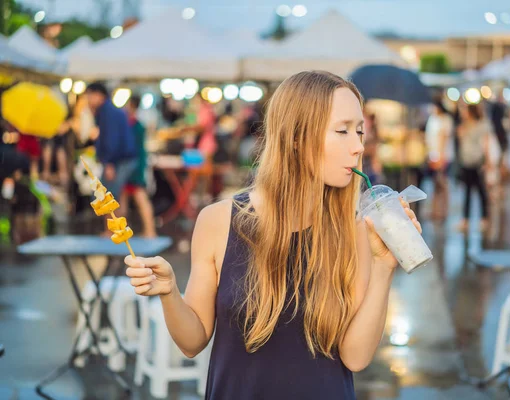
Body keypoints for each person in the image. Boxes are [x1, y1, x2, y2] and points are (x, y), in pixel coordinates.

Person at [124, 71, 422, 399]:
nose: (358, 146)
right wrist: (169, 293)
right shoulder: (217, 221)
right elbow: (192, 342)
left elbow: (355, 356)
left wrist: (384, 267)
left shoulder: (354, 231)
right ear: (295, 137)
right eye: (342, 131)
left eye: (360, 131)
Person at [86, 82, 138, 233]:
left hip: (118, 160)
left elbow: (112, 140)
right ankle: (116, 231)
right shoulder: (108, 110)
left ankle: (112, 231)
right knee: (115, 196)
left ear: (99, 95)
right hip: (121, 159)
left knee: (108, 197)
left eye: (90, 95)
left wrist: (109, 163)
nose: (88, 99)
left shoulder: (107, 112)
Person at [119, 95, 157, 238]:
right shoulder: (133, 124)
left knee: (138, 198)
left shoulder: (134, 126)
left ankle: (150, 231)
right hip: (133, 165)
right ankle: (123, 232)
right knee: (124, 200)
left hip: (133, 166)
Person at [457, 104, 490, 231]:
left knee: (481, 191)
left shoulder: (481, 125)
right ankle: (466, 219)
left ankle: (484, 218)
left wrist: (486, 161)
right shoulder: (464, 126)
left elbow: (486, 143)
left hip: (477, 162)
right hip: (466, 161)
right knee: (467, 191)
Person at [425, 100, 454, 219]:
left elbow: (444, 138)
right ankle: (435, 210)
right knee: (435, 184)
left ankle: (443, 211)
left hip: (442, 156)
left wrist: (441, 157)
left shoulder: (446, 119)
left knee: (443, 184)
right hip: (433, 155)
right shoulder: (433, 119)